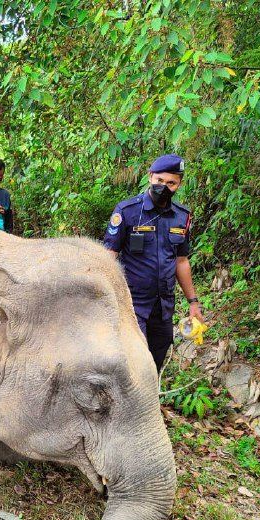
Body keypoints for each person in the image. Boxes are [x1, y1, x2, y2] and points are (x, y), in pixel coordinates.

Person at [103, 153, 204, 371]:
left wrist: (193, 302)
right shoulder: (127, 211)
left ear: (179, 184)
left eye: (171, 183)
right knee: (137, 363)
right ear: (150, 177)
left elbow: (181, 261)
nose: (164, 187)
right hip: (132, 304)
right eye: (159, 180)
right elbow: (109, 257)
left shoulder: (181, 216)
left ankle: (152, 392)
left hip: (163, 306)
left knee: (157, 356)